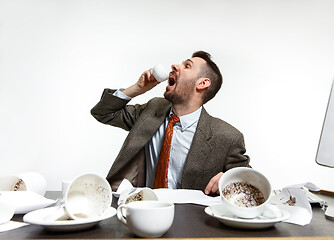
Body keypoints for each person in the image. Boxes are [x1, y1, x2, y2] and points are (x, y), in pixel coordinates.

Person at [91, 51, 250, 195]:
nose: (175, 66)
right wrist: (138, 88)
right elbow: (103, 113)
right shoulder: (152, 110)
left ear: (202, 83)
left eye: (187, 66)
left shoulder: (228, 137)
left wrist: (228, 179)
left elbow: (249, 184)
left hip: (192, 221)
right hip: (145, 211)